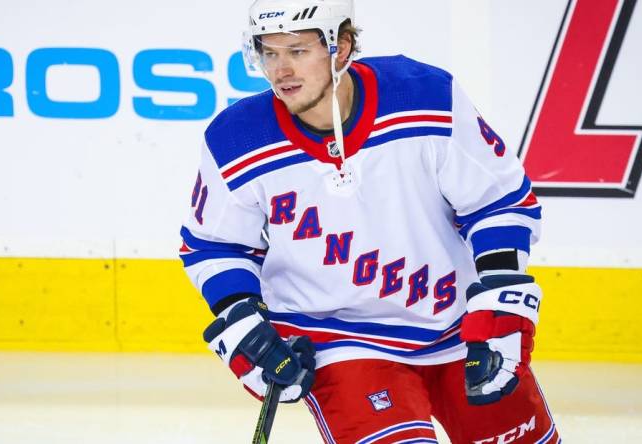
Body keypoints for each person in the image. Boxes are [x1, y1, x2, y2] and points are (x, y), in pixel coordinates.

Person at [180, 0, 560, 442]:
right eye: (270, 53)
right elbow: (215, 246)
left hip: (460, 326)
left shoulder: (424, 97)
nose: (281, 70)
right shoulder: (236, 139)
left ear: (341, 47)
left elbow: (496, 199)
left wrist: (499, 294)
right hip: (338, 341)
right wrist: (245, 323)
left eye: (298, 51)